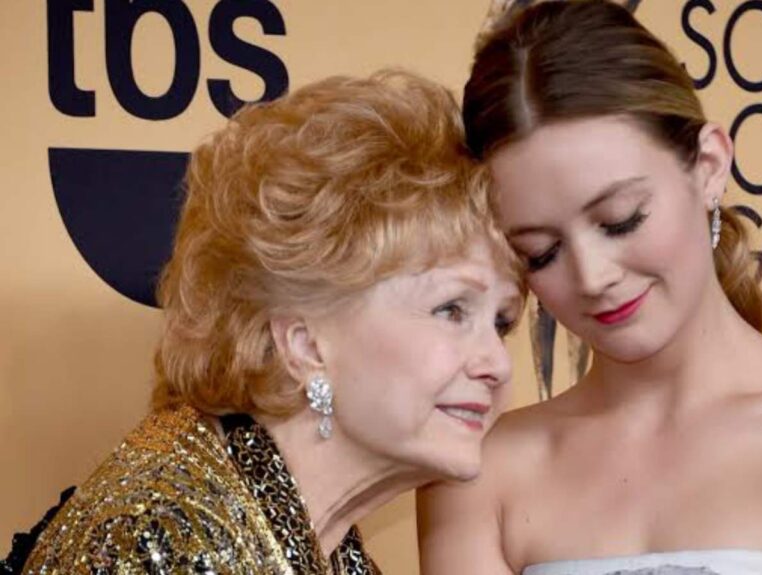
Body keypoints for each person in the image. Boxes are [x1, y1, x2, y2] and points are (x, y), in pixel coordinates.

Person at [417, 2, 762, 574]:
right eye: (541, 252)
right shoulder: (482, 468)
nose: (593, 277)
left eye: (621, 219)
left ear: (709, 166)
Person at [16, 70, 524, 574]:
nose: (497, 364)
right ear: (305, 346)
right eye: (452, 310)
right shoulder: (160, 537)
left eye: (501, 323)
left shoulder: (313, 539)